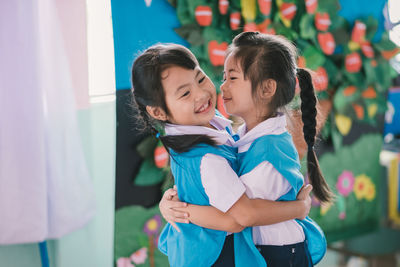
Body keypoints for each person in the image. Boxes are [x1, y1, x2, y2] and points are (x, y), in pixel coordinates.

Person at [160, 32, 333, 267]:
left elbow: (240, 214)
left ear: (266, 89)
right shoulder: (243, 134)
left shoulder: (268, 153)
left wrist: (181, 210)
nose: (222, 86)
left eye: (232, 78)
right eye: (223, 77)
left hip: (279, 254)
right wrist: (169, 203)